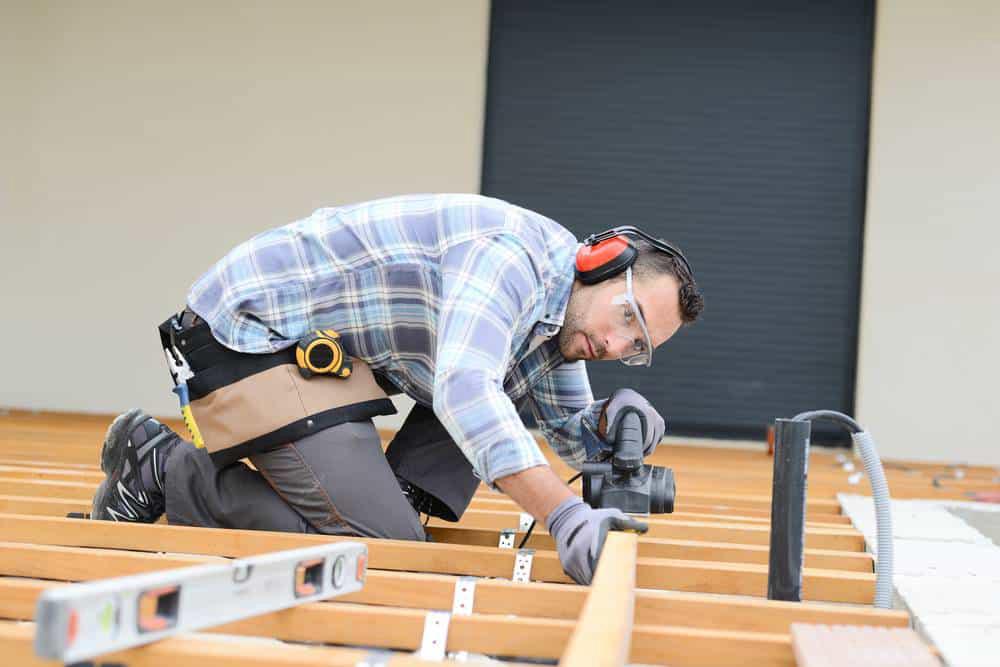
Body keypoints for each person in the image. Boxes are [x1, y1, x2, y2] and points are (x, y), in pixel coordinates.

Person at [90, 193, 704, 584]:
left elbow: (567, 433)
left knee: (501, 385)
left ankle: (379, 499)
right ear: (599, 263)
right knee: (384, 550)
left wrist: (606, 425)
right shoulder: (510, 258)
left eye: (637, 347)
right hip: (249, 335)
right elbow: (465, 390)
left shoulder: (562, 322)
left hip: (328, 361)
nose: (616, 346)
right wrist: (564, 515)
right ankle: (165, 468)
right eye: (627, 318)